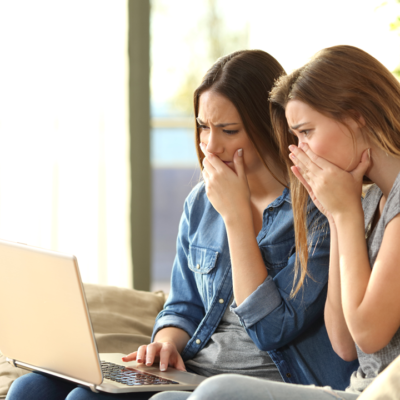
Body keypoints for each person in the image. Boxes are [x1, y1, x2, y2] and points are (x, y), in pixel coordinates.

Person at [6, 50, 356, 400]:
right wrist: (166, 342)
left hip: (263, 382)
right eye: (203, 127)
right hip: (194, 373)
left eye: (228, 130)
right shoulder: (201, 202)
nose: (210, 146)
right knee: (30, 388)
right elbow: (183, 305)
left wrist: (236, 218)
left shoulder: (316, 211)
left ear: (268, 126)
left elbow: (271, 330)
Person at [151, 45, 400, 400]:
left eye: (306, 133)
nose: (298, 150)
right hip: (359, 388)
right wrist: (342, 213)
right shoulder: (372, 200)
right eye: (295, 136)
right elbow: (344, 343)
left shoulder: (371, 206)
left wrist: (342, 215)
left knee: (216, 393)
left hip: (368, 392)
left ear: (356, 116)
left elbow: (367, 334)